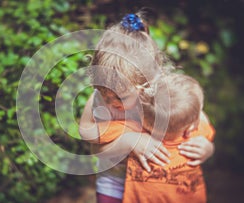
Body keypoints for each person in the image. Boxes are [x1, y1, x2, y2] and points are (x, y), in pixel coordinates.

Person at [79, 13, 214, 203]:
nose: (111, 102)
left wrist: (206, 147)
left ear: (147, 85)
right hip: (115, 181)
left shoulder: (165, 95)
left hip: (159, 187)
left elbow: (196, 117)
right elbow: (90, 137)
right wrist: (129, 141)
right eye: (103, 93)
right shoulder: (102, 98)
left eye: (120, 97)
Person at [98, 73, 215, 203]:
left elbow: (96, 134)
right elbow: (208, 131)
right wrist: (209, 148)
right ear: (190, 127)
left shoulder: (134, 128)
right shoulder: (197, 132)